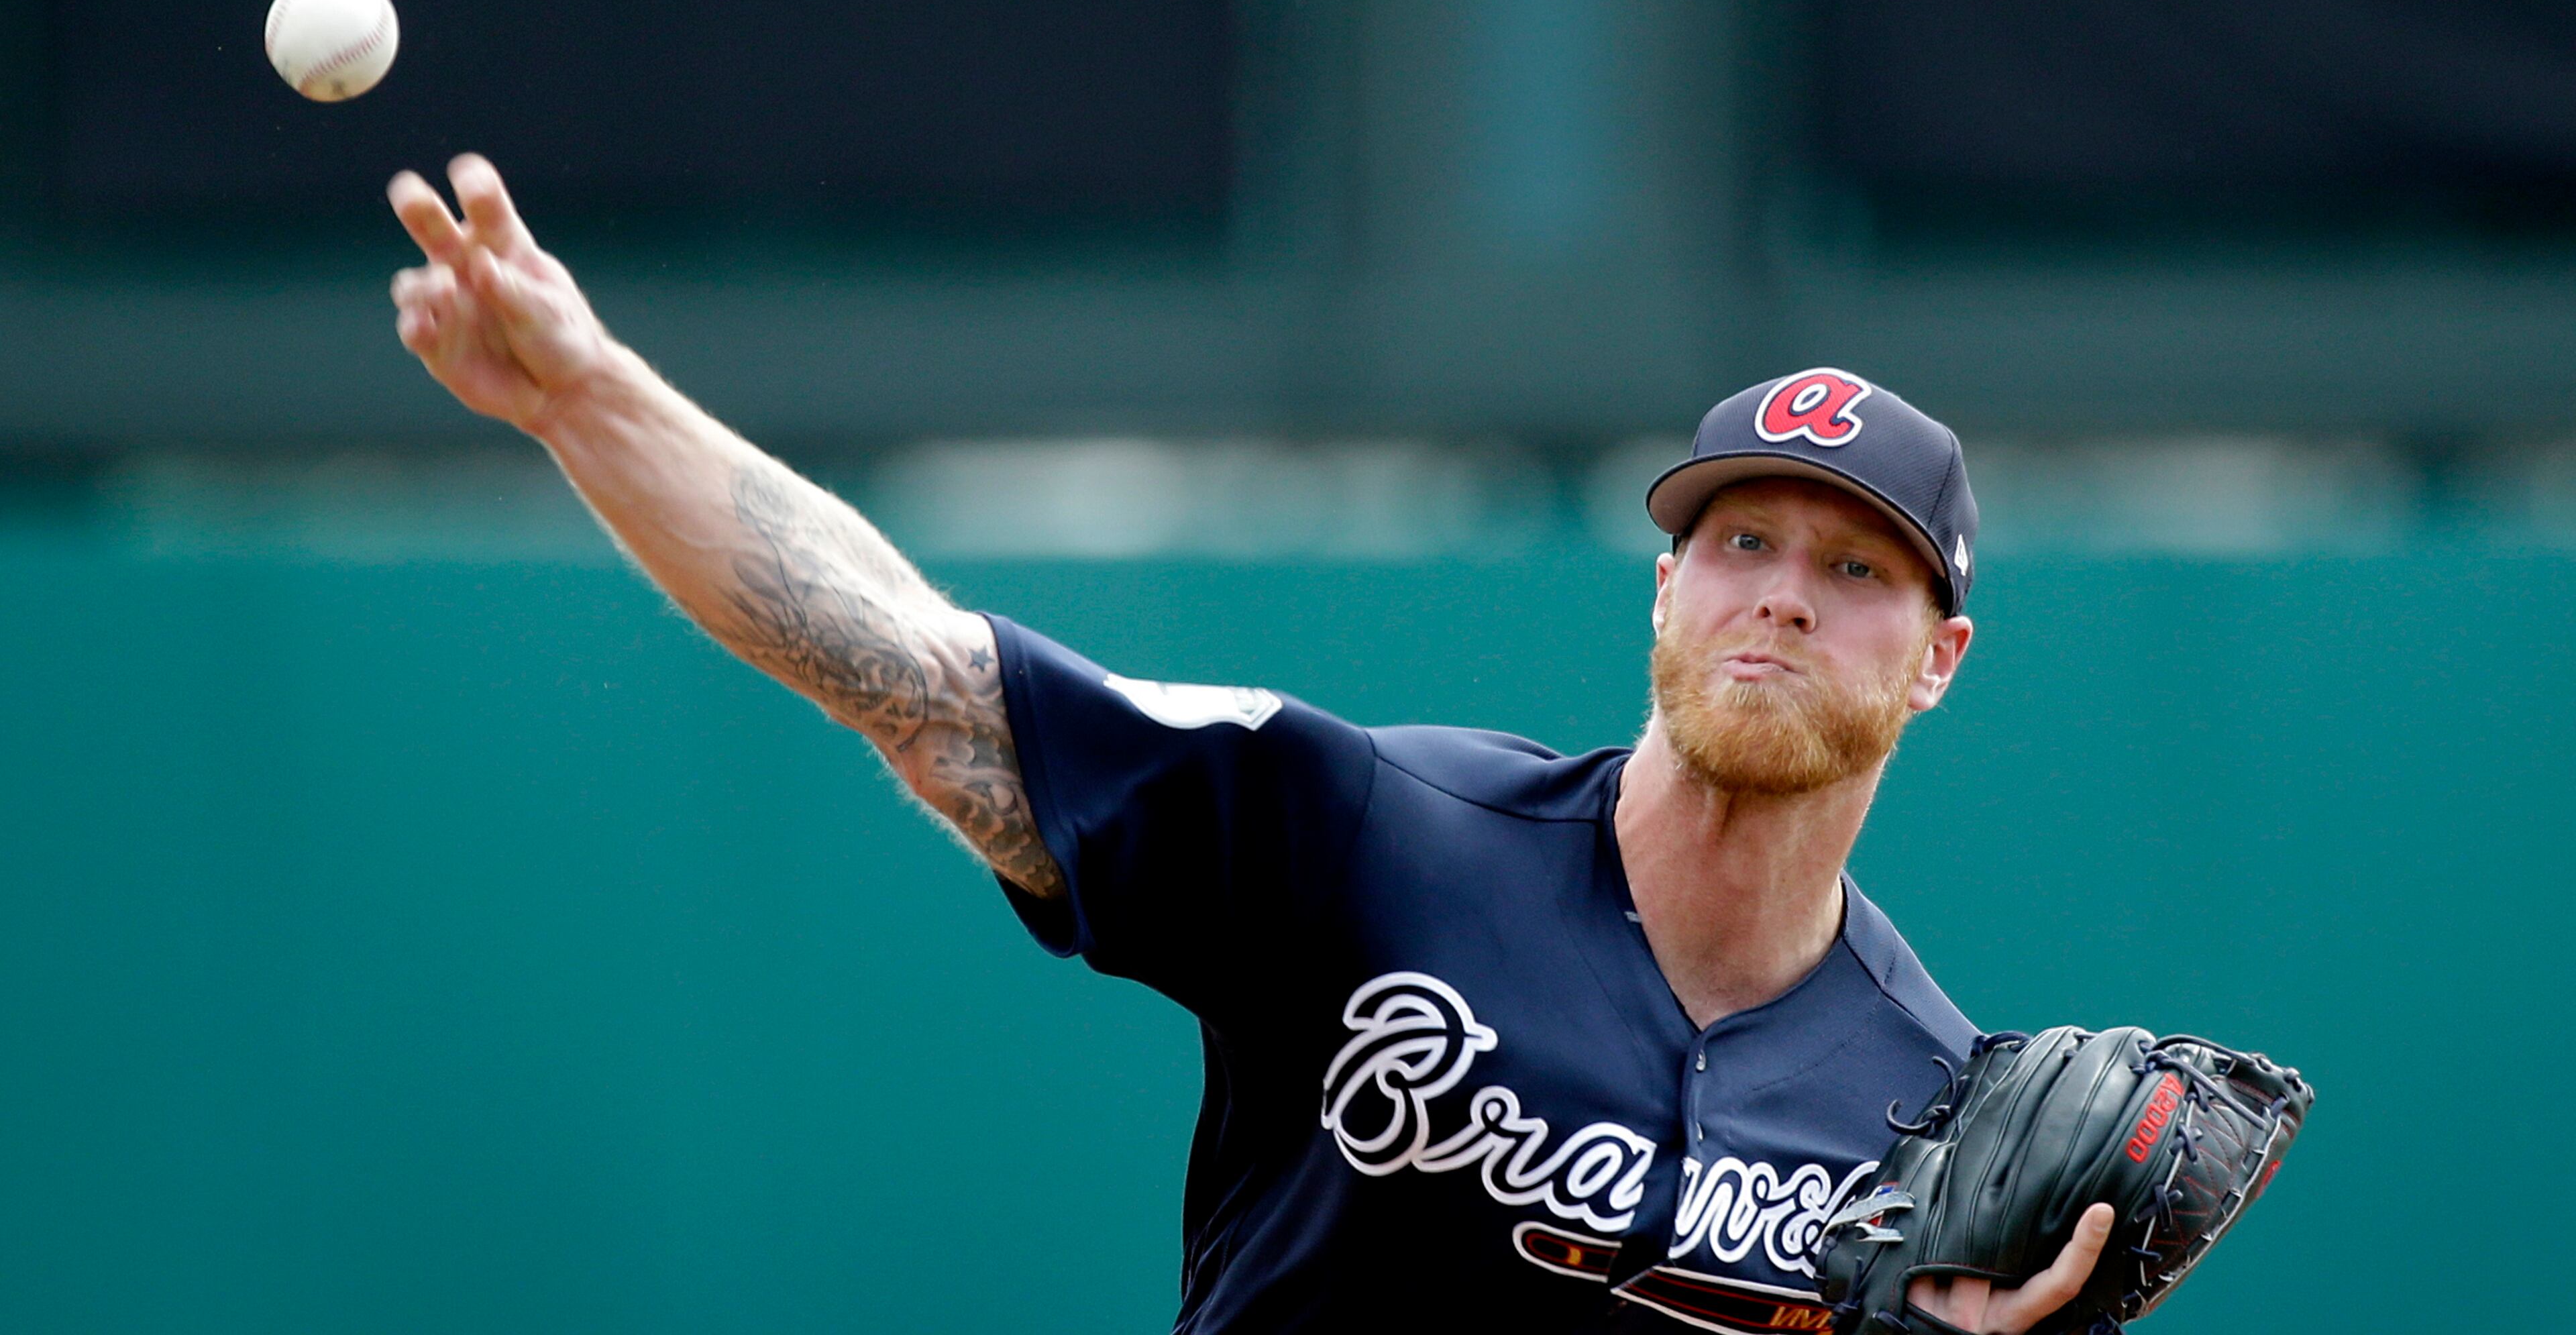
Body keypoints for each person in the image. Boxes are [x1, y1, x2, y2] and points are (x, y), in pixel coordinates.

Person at [386, 155, 2112, 1334]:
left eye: (1855, 570)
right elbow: (912, 675)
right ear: (1665, 588)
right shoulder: (1368, 828)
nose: (1783, 598)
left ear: (1939, 660)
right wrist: (586, 396)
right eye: (1740, 541)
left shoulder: (1930, 1117)